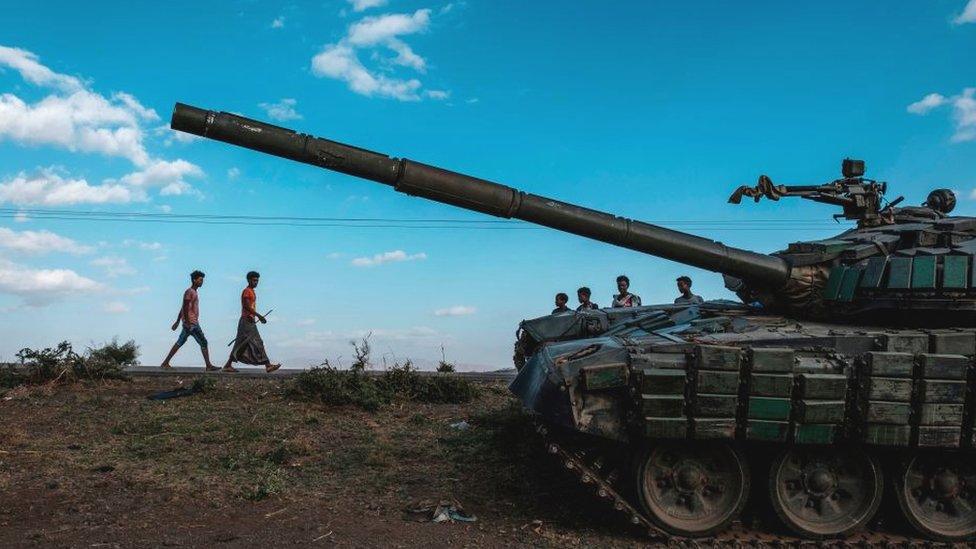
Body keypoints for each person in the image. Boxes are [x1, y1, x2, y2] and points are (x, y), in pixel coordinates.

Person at [224, 271, 281, 373]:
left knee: (241, 344)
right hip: (246, 322)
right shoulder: (247, 291)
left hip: (250, 321)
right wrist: (259, 316)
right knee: (255, 342)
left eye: (257, 280)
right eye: (254, 280)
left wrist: (255, 317)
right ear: (249, 280)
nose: (256, 282)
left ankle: (228, 365)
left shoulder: (252, 292)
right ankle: (267, 365)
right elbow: (246, 306)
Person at [160, 270, 216, 370]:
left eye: (202, 280)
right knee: (203, 342)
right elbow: (185, 307)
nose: (202, 282)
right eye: (200, 280)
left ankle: (165, 363)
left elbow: (183, 308)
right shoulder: (190, 292)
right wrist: (188, 322)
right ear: (194, 280)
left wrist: (178, 321)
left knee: (180, 342)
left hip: (190, 322)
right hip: (192, 322)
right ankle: (208, 366)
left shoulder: (193, 292)